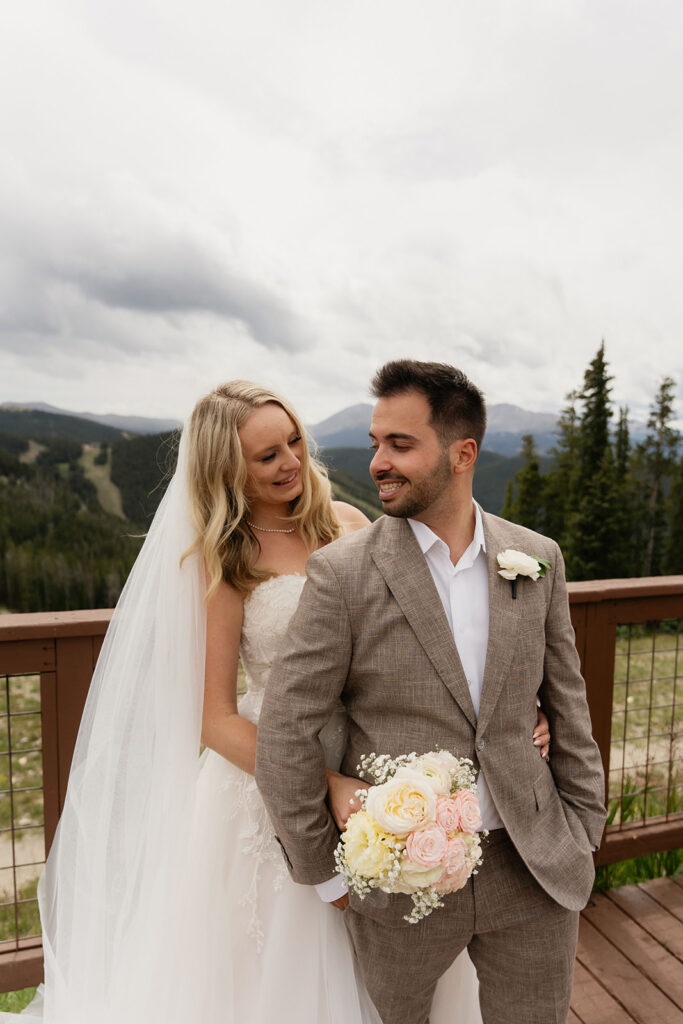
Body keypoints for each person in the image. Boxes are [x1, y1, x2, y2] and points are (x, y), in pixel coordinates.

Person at [2, 379, 550, 1024]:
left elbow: (423, 640)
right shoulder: (225, 562)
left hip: (379, 764)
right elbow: (215, 719)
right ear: (226, 468)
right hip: (265, 789)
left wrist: (513, 713)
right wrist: (325, 785)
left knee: (401, 949)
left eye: (293, 441)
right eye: (267, 456)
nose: (290, 461)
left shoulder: (348, 525)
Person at [255, 360, 607, 1024]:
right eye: (374, 443)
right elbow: (284, 731)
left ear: (461, 453)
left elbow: (568, 706)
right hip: (396, 879)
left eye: (400, 444)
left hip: (532, 864)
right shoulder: (341, 574)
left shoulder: (536, 557)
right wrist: (325, 871)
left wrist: (583, 828)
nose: (379, 461)